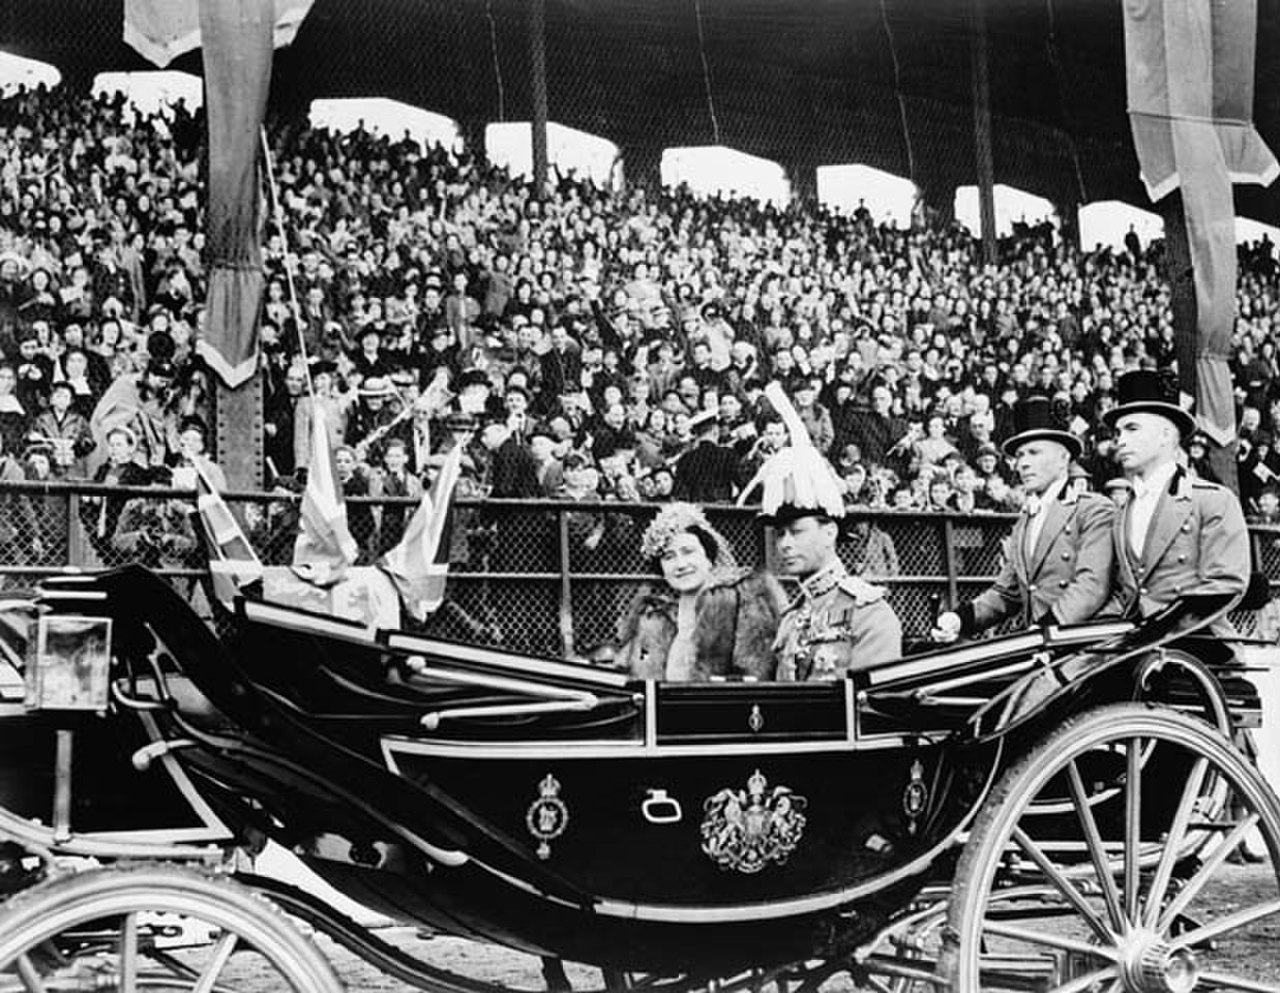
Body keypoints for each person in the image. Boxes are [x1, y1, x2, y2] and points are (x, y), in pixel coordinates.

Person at [932, 396, 1115, 641]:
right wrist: (960, 619)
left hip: (1081, 647)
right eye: (1020, 455)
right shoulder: (1027, 519)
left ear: (1064, 458)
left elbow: (1091, 586)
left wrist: (1045, 630)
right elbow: (1007, 593)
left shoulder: (1093, 510)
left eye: (1034, 452)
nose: (1024, 464)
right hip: (1040, 646)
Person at [753, 391, 903, 679]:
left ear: (829, 532)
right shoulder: (792, 619)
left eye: (796, 532)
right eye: (780, 534)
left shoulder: (868, 613)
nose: (785, 544)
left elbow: (870, 708)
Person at [1104, 370, 1249, 634]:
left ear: (1166, 435)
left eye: (1132, 429)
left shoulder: (1212, 500)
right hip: (1131, 649)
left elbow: (1225, 585)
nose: (1120, 441)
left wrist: (1158, 627)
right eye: (1117, 432)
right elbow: (1127, 594)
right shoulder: (1123, 511)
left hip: (1197, 651)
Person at [616, 503, 785, 680]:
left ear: (708, 558)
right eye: (669, 557)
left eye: (688, 552)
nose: (680, 564)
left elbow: (755, 676)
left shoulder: (740, 602)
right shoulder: (656, 619)